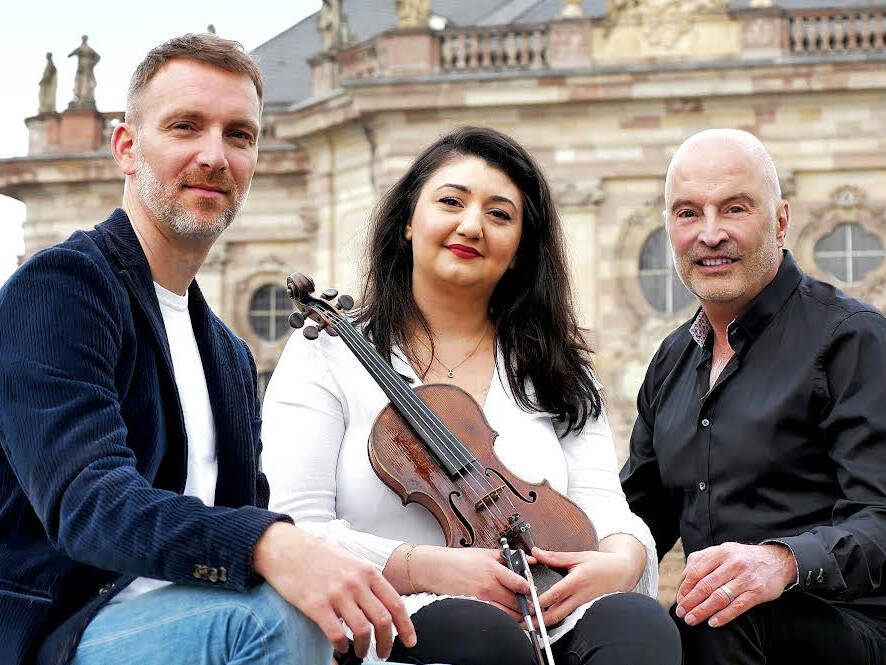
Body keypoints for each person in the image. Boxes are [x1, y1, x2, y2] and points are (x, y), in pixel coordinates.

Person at [0, 33, 415, 665]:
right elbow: (88, 501)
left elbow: (261, 524)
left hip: (200, 622)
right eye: (185, 127)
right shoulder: (63, 287)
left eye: (238, 135)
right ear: (126, 147)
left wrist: (427, 568)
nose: (214, 156)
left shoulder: (227, 353)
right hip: (60, 635)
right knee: (281, 620)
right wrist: (269, 546)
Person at [262, 126, 681, 665]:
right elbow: (295, 529)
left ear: (520, 249)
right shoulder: (329, 354)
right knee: (486, 640)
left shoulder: (555, 368)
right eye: (451, 202)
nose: (471, 225)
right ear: (409, 221)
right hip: (393, 616)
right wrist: (428, 567)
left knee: (639, 625)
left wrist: (622, 559)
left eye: (499, 214)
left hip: (547, 612)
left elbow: (604, 508)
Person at [620, 128, 886, 664]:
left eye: (734, 209)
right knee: (625, 631)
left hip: (854, 628)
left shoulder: (852, 338)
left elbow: (879, 515)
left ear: (781, 221)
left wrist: (782, 562)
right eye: (688, 213)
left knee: (723, 610)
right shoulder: (671, 360)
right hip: (721, 628)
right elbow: (634, 521)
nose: (710, 234)